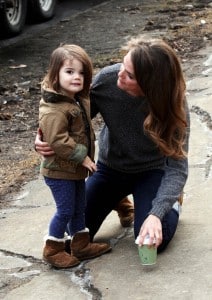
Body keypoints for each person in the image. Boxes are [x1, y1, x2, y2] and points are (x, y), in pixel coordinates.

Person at [35, 35, 190, 254]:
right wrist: (42, 136)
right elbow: (68, 117)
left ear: (150, 85)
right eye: (123, 64)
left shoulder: (174, 104)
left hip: (152, 171)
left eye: (129, 75)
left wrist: (156, 214)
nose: (119, 73)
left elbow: (177, 167)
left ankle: (172, 202)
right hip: (111, 169)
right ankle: (120, 200)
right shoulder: (107, 80)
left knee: (152, 241)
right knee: (72, 234)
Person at [38, 44, 111, 268]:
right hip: (59, 171)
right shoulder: (54, 108)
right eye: (69, 72)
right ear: (55, 74)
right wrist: (85, 158)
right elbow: (59, 140)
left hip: (74, 170)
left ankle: (80, 244)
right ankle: (53, 249)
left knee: (80, 207)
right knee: (66, 210)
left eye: (81, 73)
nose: (76, 77)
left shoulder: (78, 98)